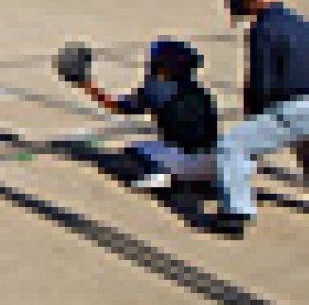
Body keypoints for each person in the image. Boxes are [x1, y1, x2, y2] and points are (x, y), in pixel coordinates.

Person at [208, 0, 309, 238]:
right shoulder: (296, 20)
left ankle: (234, 213)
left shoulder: (264, 28)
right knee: (307, 149)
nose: (236, 0)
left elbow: (260, 81)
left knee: (232, 146)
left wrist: (254, 117)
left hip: (295, 108)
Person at [65, 39, 219, 193]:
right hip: (213, 161)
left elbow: (118, 107)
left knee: (133, 152)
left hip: (182, 160)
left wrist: (84, 84)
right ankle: (201, 182)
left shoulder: (158, 89)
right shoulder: (199, 91)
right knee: (176, 149)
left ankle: (162, 178)